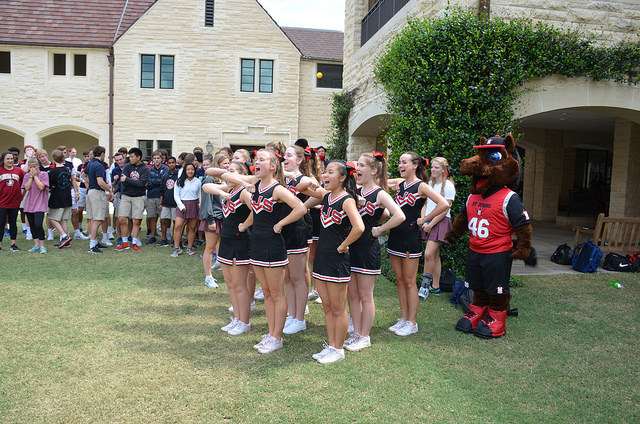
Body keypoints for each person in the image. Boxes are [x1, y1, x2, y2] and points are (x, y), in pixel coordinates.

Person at [214, 149, 307, 354]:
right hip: (256, 245)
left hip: (273, 245)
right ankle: (271, 333)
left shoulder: (277, 189)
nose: (257, 162)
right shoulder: (254, 184)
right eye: (255, 160)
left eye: (262, 160)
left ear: (273, 166)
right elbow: (223, 175)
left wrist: (281, 223)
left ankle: (276, 336)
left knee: (276, 293)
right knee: (265, 293)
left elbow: (300, 207)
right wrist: (246, 181)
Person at [343, 152, 405, 352]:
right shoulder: (355, 191)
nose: (357, 169)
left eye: (361, 165)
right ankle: (356, 332)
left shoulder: (380, 193)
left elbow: (399, 215)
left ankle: (364, 336)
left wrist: (380, 229)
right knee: (352, 294)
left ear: (373, 170)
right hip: (351, 247)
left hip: (368, 249)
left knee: (364, 295)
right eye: (357, 165)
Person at [304, 160, 364, 363]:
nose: (325, 176)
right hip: (321, 257)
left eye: (330, 172)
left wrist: (344, 245)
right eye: (324, 172)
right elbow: (300, 188)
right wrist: (313, 184)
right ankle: (331, 344)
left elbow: (359, 227)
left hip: (337, 259)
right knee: (327, 307)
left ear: (342, 177)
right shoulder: (326, 196)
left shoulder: (347, 200)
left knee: (338, 308)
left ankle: (338, 349)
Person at [386, 152, 449, 336]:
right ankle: (404, 318)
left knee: (409, 281)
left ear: (415, 165)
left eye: (404, 162)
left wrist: (426, 220)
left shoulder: (421, 186)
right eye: (399, 162)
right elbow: (384, 182)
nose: (400, 165)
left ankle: (412, 322)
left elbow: (443, 203)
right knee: (399, 281)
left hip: (410, 237)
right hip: (395, 235)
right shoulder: (400, 185)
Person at [203, 161, 253, 335]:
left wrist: (245, 225)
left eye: (232, 172)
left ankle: (244, 321)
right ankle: (237, 319)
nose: (227, 175)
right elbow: (206, 186)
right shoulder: (228, 190)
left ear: (241, 175)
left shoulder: (244, 192)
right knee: (231, 284)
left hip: (240, 241)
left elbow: (257, 211)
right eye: (227, 172)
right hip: (226, 240)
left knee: (240, 285)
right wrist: (220, 191)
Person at [280, 145, 321, 335]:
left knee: (297, 276)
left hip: (297, 229)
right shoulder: (281, 179)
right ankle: (291, 314)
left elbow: (322, 194)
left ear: (299, 160)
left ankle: (299, 318)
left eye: (289, 155)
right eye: (284, 155)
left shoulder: (304, 179)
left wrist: (303, 206)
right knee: (287, 276)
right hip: (282, 230)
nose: (284, 158)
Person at [418, 157, 455, 296]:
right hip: (428, 221)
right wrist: (423, 220)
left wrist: (430, 223)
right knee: (434, 255)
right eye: (432, 167)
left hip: (441, 221)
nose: (433, 170)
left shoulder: (449, 186)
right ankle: (436, 286)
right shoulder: (428, 184)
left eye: (437, 167)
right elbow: (425, 204)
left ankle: (424, 287)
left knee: (428, 254)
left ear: (444, 170)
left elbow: (445, 209)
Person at [115, 147, 150, 251]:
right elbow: (122, 180)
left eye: (132, 157)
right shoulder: (127, 167)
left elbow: (141, 184)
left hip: (139, 196)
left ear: (138, 157)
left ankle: (134, 243)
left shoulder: (145, 169)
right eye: (129, 156)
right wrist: (130, 181)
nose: (130, 158)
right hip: (126, 195)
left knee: (136, 221)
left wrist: (128, 180)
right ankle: (125, 242)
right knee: (121, 219)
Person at [199, 154, 224, 287]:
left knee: (220, 245)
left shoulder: (223, 180)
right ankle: (208, 277)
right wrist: (210, 220)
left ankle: (220, 267)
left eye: (228, 163)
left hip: (222, 217)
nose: (227, 166)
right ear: (218, 164)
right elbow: (206, 201)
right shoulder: (210, 180)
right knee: (210, 247)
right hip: (213, 217)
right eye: (224, 163)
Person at [47, 149, 79, 249]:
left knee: (52, 218)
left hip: (57, 197)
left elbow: (50, 185)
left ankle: (64, 236)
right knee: (64, 219)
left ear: (53, 159)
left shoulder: (52, 171)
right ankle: (66, 241)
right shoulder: (67, 170)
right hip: (67, 196)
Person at [85, 146, 114, 254]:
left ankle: (94, 242)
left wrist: (89, 182)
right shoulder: (99, 165)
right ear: (102, 154)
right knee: (98, 219)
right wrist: (109, 190)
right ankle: (92, 244)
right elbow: (100, 182)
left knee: (92, 218)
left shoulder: (90, 163)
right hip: (97, 192)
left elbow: (83, 175)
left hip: (91, 192)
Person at [171, 163, 201, 257]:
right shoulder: (179, 181)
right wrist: (181, 206)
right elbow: (176, 195)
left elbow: (200, 194)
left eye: (192, 169)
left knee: (192, 227)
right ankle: (176, 248)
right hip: (182, 205)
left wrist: (199, 204)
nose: (190, 171)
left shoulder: (198, 181)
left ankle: (189, 247)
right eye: (188, 169)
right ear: (185, 171)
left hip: (194, 205)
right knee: (178, 226)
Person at [21, 157, 49, 253]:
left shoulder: (44, 174)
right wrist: (31, 177)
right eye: (31, 167)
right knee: (32, 225)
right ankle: (36, 244)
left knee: (38, 224)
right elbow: (27, 188)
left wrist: (36, 176)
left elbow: (41, 187)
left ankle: (42, 245)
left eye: (35, 167)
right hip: (30, 203)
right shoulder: (27, 176)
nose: (33, 169)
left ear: (38, 166)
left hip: (40, 203)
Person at [0, 150, 26, 252]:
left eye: (11, 158)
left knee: (13, 223)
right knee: (1, 223)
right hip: (2, 202)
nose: (10, 160)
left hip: (14, 202)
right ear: (3, 159)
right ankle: (0, 245)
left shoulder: (18, 170)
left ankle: (13, 244)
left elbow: (26, 180)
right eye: (8, 159)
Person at [146, 150, 169, 245]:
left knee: (163, 218)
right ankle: (153, 236)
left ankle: (164, 237)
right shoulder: (149, 170)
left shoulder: (166, 169)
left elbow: (164, 183)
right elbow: (148, 183)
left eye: (158, 158)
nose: (156, 160)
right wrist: (157, 182)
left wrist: (155, 182)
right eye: (154, 158)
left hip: (162, 196)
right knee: (152, 217)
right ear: (152, 160)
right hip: (151, 195)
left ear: (161, 159)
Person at [157, 156, 178, 247]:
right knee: (163, 220)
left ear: (175, 163)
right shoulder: (164, 175)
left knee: (175, 222)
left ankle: (175, 240)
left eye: (173, 162)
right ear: (167, 164)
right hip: (165, 202)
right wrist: (161, 203)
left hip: (175, 203)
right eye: (169, 163)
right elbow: (161, 190)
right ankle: (164, 239)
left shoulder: (179, 175)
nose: (171, 164)